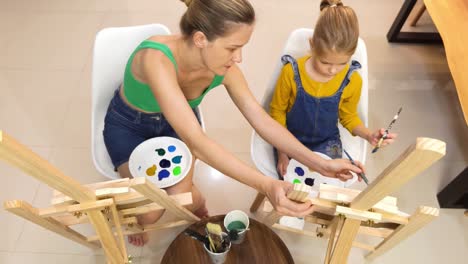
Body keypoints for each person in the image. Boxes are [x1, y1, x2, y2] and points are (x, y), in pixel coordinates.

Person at [103, 0, 364, 246]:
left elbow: (261, 120)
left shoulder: (226, 70)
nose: (238, 58)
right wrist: (266, 184)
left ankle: (193, 198)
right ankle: (189, 200)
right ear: (201, 39)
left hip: (174, 129)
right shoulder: (156, 58)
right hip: (130, 127)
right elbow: (198, 143)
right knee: (148, 216)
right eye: (232, 48)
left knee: (178, 201)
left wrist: (320, 163)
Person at [270, 0, 397, 177]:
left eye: (342, 63)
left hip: (327, 142)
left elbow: (348, 117)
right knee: (290, 181)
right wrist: (282, 152)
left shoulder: (352, 80)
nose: (333, 70)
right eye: (325, 62)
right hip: (289, 139)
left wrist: (369, 136)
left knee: (329, 181)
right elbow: (277, 112)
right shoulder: (291, 72)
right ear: (312, 44)